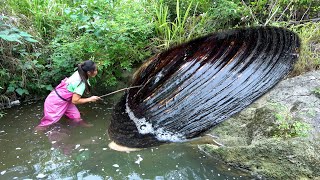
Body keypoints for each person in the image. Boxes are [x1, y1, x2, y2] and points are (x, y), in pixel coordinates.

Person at [36, 60, 101, 130]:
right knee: (47, 123)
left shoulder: (81, 73)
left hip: (65, 100)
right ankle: (36, 133)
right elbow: (75, 101)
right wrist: (90, 99)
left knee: (76, 117)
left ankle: (72, 127)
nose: (96, 72)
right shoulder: (81, 83)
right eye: (95, 70)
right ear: (88, 72)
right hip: (55, 102)